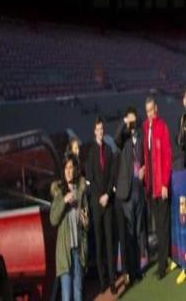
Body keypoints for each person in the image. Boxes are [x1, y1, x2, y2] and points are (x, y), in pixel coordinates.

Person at [50, 154, 89, 301]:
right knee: (66, 297)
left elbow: (86, 223)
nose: (68, 171)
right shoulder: (59, 192)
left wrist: (85, 221)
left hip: (78, 251)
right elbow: (53, 219)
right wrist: (64, 201)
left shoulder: (80, 192)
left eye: (71, 167)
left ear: (75, 170)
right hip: (64, 253)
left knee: (78, 295)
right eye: (66, 168)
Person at [114, 107, 146, 285]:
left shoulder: (140, 139)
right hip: (126, 191)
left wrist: (144, 169)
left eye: (134, 121)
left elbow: (145, 159)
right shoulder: (124, 140)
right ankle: (131, 270)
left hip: (138, 188)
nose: (133, 124)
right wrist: (124, 123)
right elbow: (116, 137)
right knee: (129, 232)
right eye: (130, 121)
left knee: (138, 229)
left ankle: (138, 269)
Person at [85, 117, 116, 294]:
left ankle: (112, 280)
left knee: (110, 242)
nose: (100, 131)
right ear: (94, 131)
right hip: (97, 205)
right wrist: (100, 197)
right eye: (98, 129)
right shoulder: (91, 152)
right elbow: (90, 178)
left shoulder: (109, 150)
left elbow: (112, 175)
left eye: (102, 128)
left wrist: (108, 195)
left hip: (108, 203)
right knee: (99, 243)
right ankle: (102, 280)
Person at [143, 96, 172, 280]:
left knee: (162, 226)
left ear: (156, 109)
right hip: (150, 186)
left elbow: (167, 156)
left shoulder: (162, 127)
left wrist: (164, 184)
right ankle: (162, 261)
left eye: (151, 110)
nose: (150, 114)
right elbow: (146, 155)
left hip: (160, 186)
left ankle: (163, 265)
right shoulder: (145, 127)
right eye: (147, 111)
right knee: (157, 226)